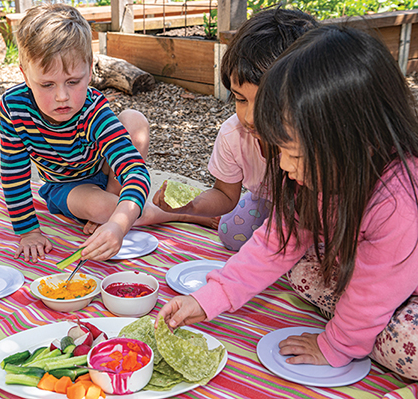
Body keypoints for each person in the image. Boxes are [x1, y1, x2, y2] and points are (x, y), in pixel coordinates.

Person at [158, 25, 418, 379]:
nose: (282, 166)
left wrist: (335, 346)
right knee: (296, 271)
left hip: (404, 291)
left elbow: (374, 293)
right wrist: (207, 299)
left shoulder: (397, 202)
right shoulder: (322, 172)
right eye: (280, 150)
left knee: (407, 344)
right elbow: (274, 244)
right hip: (368, 275)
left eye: (293, 153)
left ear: (352, 139)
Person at [2, 3, 176, 263]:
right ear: (25, 75)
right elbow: (14, 173)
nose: (62, 97)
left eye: (73, 82)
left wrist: (119, 224)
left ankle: (119, 209)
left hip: (106, 172)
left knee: (134, 120)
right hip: (65, 186)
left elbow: (135, 170)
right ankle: (182, 214)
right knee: (104, 208)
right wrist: (28, 231)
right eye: (47, 84)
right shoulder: (14, 107)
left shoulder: (94, 109)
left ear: (90, 69)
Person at [152, 8, 318, 251]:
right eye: (240, 100)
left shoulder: (317, 138)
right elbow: (225, 195)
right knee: (231, 234)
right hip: (269, 202)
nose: (250, 118)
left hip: (318, 210)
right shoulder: (234, 134)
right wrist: (189, 204)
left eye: (266, 104)